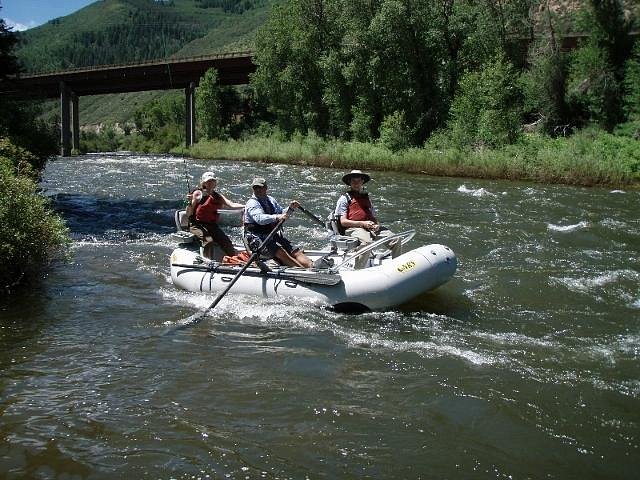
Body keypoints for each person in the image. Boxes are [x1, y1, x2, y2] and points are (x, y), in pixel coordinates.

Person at [334, 169, 401, 269]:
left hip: (370, 227)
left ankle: (397, 268)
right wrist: (362, 224)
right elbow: (343, 222)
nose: (356, 183)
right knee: (367, 243)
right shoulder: (344, 198)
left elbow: (374, 217)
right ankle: (358, 270)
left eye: (358, 181)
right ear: (350, 183)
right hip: (353, 228)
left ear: (362, 182)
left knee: (396, 239)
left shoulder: (367, 198)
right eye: (353, 181)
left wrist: (377, 225)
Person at [243, 177, 313, 268]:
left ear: (266, 188)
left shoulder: (271, 200)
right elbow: (259, 219)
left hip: (272, 236)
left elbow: (282, 213)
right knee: (281, 252)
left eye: (260, 187)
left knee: (294, 251)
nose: (258, 190)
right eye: (255, 188)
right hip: (257, 239)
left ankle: (312, 267)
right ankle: (303, 272)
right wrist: (276, 217)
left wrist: (290, 208)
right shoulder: (252, 203)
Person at [188, 171, 244, 259]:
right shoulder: (198, 193)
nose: (210, 183)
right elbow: (189, 211)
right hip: (197, 225)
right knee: (208, 241)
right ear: (204, 183)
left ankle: (234, 260)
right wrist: (191, 202)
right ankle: (207, 261)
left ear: (215, 183)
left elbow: (232, 205)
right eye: (208, 181)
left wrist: (246, 206)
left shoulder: (218, 196)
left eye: (212, 181)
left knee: (226, 242)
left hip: (211, 225)